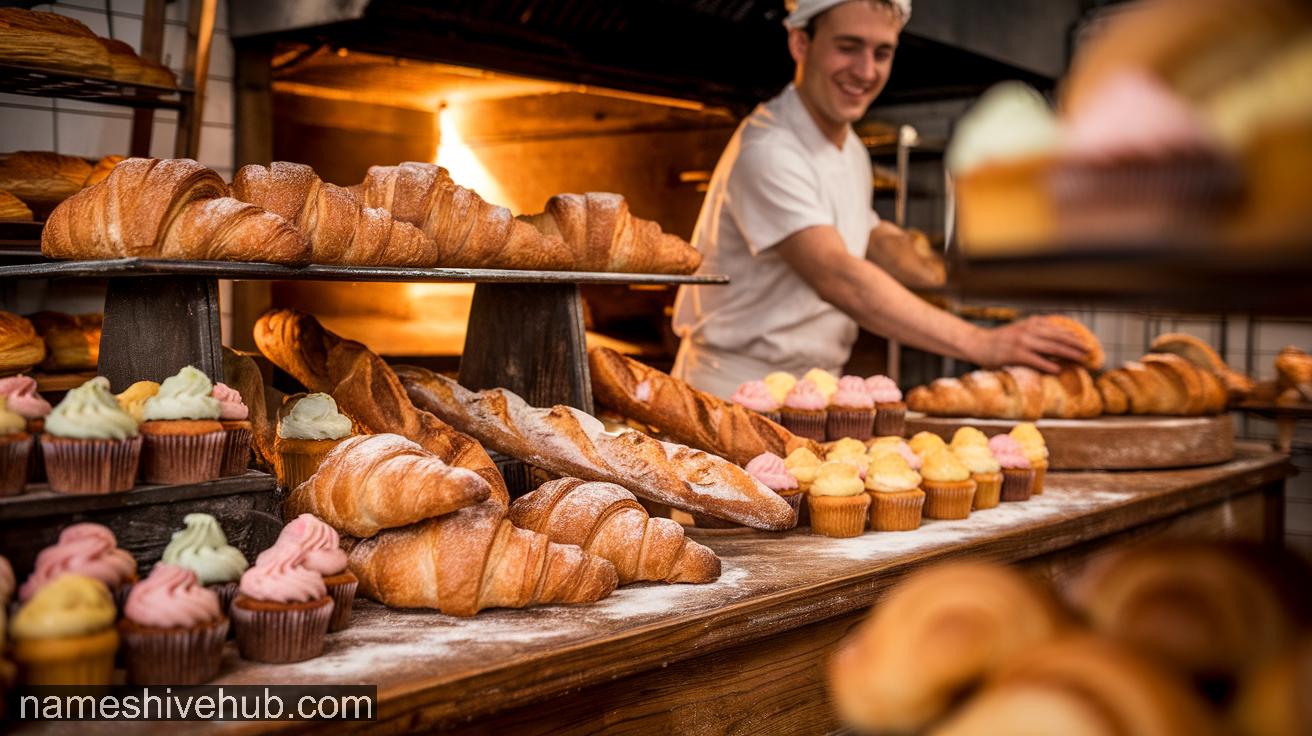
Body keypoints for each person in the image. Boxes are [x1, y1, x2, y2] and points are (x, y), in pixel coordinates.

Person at [671, 0, 1088, 399]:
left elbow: (868, 234)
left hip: (815, 389)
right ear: (800, 43)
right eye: (847, 47)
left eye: (882, 53)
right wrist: (984, 343)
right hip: (734, 388)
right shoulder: (769, 149)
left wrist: (965, 274)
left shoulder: (850, 148)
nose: (866, 70)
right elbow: (837, 274)